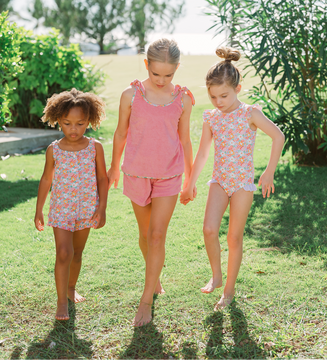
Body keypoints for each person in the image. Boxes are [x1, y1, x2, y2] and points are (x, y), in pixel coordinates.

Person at [180, 47, 285, 311]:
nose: (218, 101)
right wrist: (190, 182)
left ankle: (228, 291)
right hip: (219, 180)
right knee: (209, 229)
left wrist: (269, 171)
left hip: (242, 184)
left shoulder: (250, 113)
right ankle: (216, 275)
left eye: (223, 95)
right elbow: (203, 152)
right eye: (213, 96)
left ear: (238, 89)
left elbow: (278, 137)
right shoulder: (211, 117)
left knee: (234, 238)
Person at [107, 38, 195, 326]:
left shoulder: (182, 98)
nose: (161, 80)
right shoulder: (130, 95)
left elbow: (185, 140)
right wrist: (114, 168)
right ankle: (154, 275)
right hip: (136, 172)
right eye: (156, 73)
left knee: (157, 235)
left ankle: (146, 300)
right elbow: (120, 134)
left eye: (168, 75)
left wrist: (190, 179)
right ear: (146, 65)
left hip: (169, 175)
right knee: (145, 236)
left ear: (177, 69)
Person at [34, 88, 108, 320]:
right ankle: (60, 303)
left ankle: (71, 288)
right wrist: (38, 210)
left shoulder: (95, 148)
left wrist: (102, 208)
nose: (73, 129)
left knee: (77, 253)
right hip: (61, 210)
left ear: (89, 121)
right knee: (64, 253)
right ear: (58, 121)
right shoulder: (53, 150)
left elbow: (102, 179)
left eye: (80, 123)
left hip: (87, 209)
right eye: (67, 123)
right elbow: (46, 179)